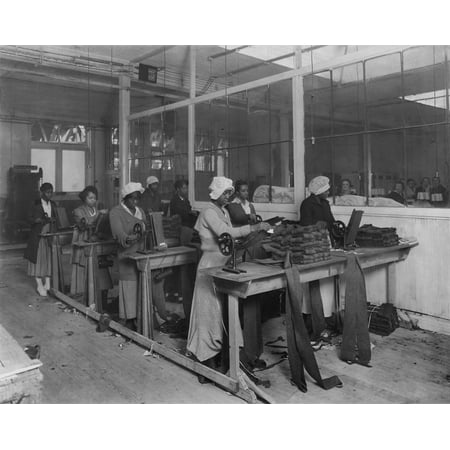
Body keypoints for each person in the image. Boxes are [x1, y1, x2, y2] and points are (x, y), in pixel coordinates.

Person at [186, 176, 270, 380]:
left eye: (229, 193)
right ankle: (205, 358)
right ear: (216, 193)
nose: (228, 197)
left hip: (223, 263)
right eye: (225, 193)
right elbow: (225, 233)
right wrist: (253, 228)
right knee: (209, 314)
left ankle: (229, 356)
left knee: (225, 312)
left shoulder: (222, 211)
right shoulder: (208, 212)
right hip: (209, 266)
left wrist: (250, 234)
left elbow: (232, 236)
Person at [109, 182, 147, 330]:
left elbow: (145, 227)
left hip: (141, 253)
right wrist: (133, 237)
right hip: (126, 255)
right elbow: (120, 235)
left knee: (141, 285)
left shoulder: (140, 211)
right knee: (130, 286)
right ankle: (129, 319)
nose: (135, 201)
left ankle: (141, 316)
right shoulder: (116, 212)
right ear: (125, 198)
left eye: (138, 198)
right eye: (132, 198)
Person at [70, 186, 112, 299]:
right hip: (83, 244)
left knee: (101, 270)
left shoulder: (97, 211)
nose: (93, 200)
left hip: (97, 242)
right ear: (84, 198)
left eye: (94, 198)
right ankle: (84, 295)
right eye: (90, 198)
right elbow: (85, 226)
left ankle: (101, 295)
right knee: (84, 271)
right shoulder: (78, 211)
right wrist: (100, 216)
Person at [24, 182, 59, 296]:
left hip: (49, 236)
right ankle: (39, 284)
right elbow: (28, 218)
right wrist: (36, 220)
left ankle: (47, 282)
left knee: (49, 258)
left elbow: (57, 217)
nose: (50, 194)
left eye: (51, 192)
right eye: (47, 192)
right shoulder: (34, 204)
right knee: (38, 259)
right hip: (38, 236)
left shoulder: (53, 204)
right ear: (41, 193)